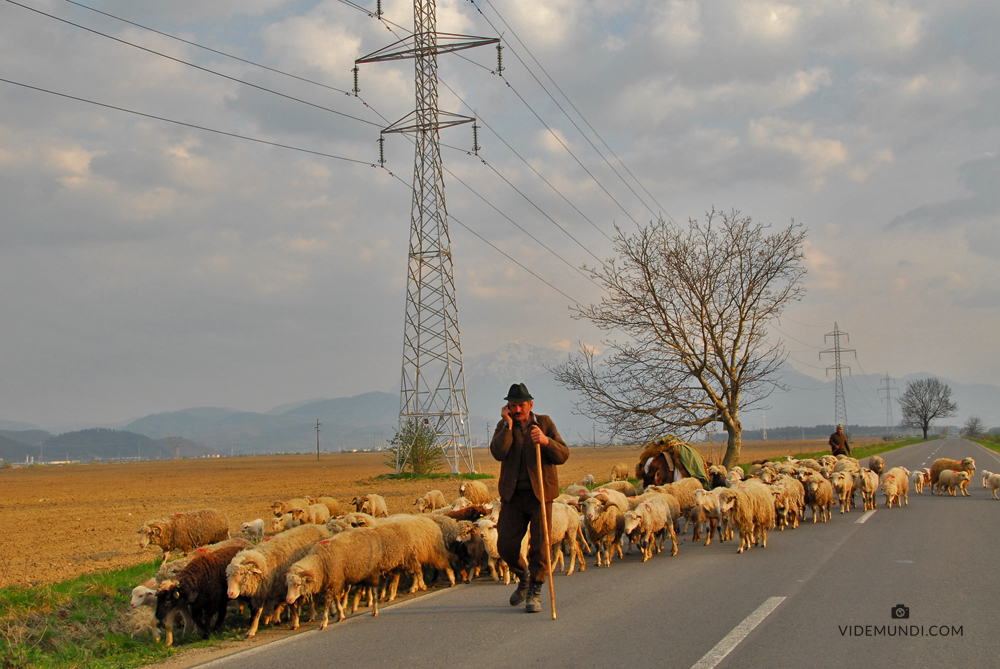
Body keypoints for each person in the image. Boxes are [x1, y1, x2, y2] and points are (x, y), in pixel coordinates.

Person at [489, 382, 568, 613]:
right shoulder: (504, 425)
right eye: (513, 406)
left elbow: (563, 454)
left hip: (540, 494)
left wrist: (545, 441)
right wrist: (507, 426)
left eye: (521, 405)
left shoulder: (544, 423)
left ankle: (535, 588)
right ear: (508, 407)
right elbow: (498, 452)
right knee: (504, 544)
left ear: (530, 405)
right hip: (512, 496)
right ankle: (522, 575)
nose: (518, 409)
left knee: (541, 544)